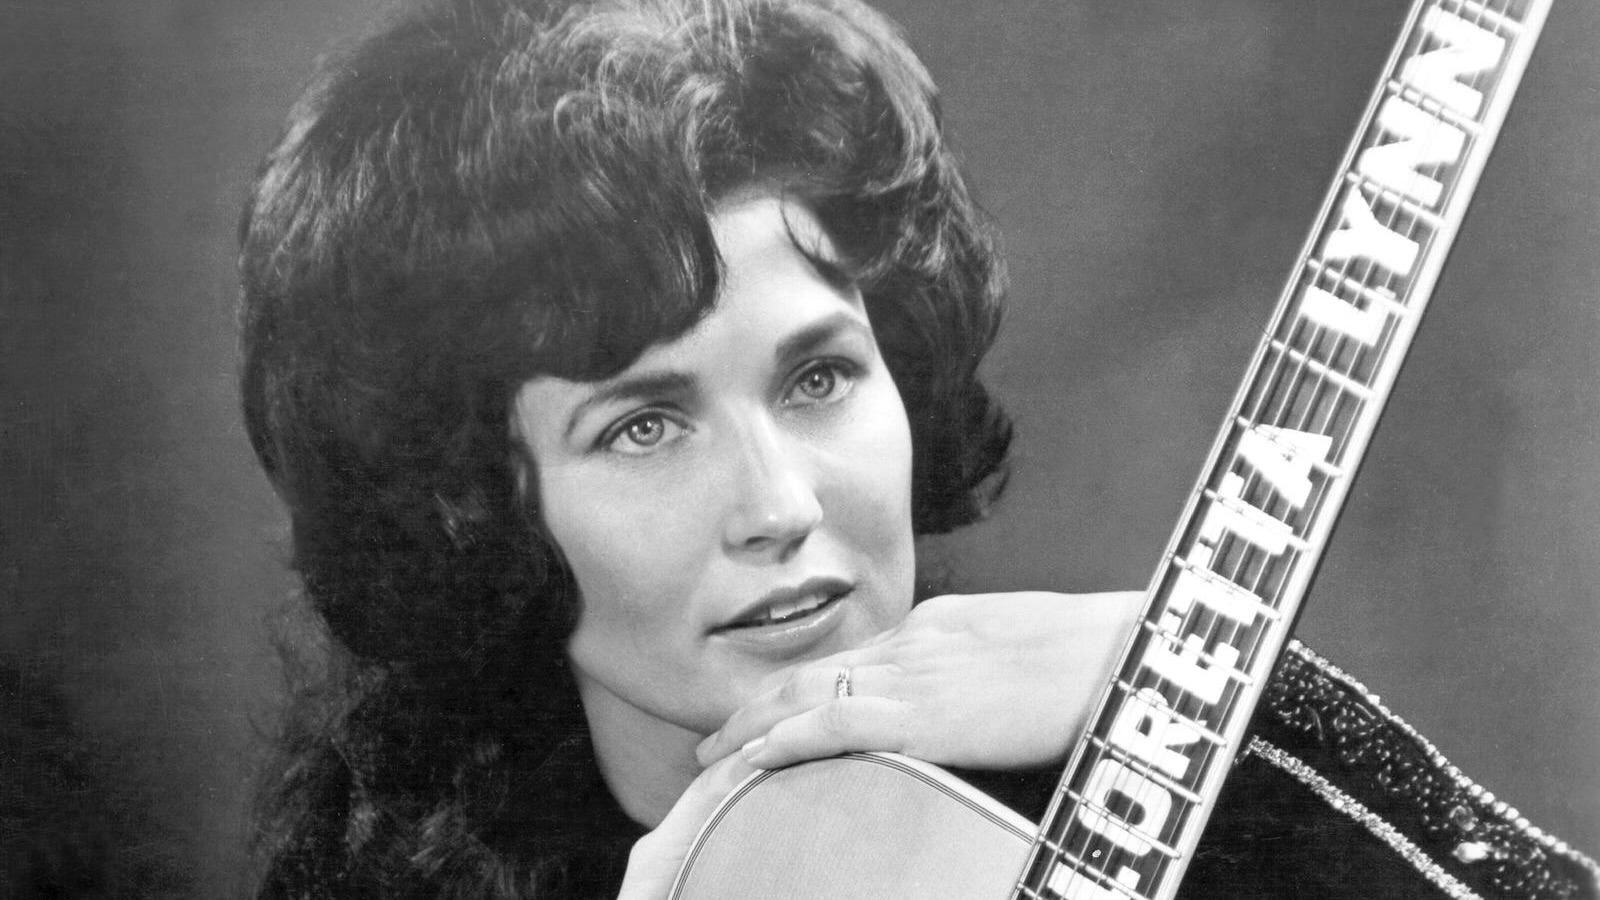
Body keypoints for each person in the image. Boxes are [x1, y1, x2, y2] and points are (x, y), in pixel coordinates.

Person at [237, 0, 1598, 898]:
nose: (778, 506)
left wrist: (1250, 711)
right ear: (472, 505)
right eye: (644, 425)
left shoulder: (1180, 803)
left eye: (821, 374)